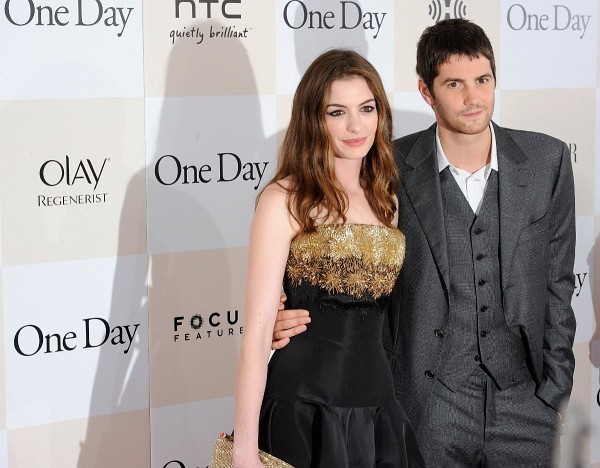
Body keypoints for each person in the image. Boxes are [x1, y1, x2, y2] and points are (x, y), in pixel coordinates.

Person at [273, 19, 577, 467]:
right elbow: (321, 246)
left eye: (483, 80)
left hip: (526, 405)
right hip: (425, 405)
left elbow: (558, 280)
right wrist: (286, 311)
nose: (473, 98)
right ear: (425, 91)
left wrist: (554, 389)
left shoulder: (546, 161)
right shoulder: (383, 167)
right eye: (454, 84)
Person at [233, 49, 424, 467]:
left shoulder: (387, 199)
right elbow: (257, 334)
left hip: (378, 410)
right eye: (337, 112)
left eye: (366, 108)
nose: (356, 125)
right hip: (304, 410)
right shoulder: (284, 199)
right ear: (313, 119)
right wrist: (244, 452)